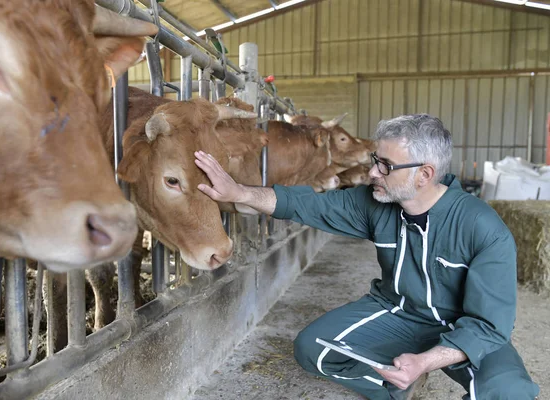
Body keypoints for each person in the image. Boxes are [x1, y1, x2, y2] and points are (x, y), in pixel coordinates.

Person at [193, 114, 539, 400]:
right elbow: (305, 203)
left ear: (425, 174)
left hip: (467, 329)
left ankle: (416, 370)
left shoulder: (482, 227)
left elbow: (490, 325)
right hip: (398, 313)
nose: (373, 172)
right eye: (376, 160)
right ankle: (392, 391)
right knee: (313, 348)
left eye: (386, 165)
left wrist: (426, 361)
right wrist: (239, 192)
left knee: (510, 391)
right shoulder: (374, 203)